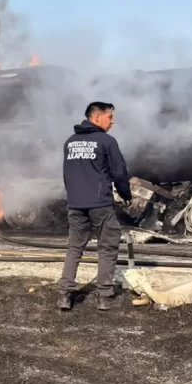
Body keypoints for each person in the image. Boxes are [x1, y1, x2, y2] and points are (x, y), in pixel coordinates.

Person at [58, 101, 132, 311]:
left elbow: (67, 175)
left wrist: (73, 197)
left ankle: (65, 295)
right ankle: (104, 296)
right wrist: (126, 194)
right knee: (107, 248)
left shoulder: (70, 142)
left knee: (74, 248)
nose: (112, 121)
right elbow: (119, 172)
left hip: (75, 204)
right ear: (97, 117)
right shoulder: (106, 141)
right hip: (100, 204)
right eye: (110, 117)